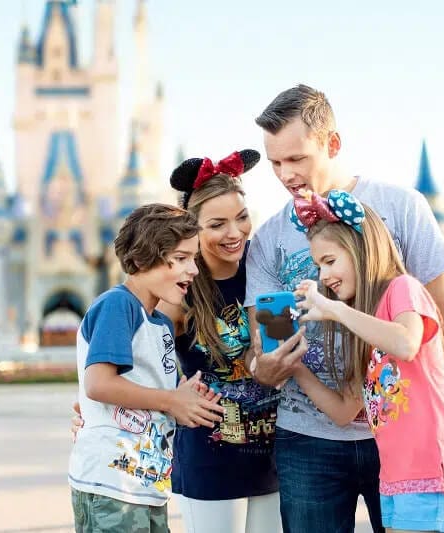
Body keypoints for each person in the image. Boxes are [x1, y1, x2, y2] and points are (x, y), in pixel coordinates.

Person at [245, 84, 444, 532]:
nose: (286, 174)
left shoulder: (402, 208)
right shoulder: (267, 240)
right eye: (275, 163)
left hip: (401, 435)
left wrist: (433, 422)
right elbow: (263, 348)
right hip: (308, 442)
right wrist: (264, 366)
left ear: (332, 143)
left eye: (297, 158)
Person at [290, 189, 444, 533]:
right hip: (395, 475)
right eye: (318, 266)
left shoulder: (402, 288)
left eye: (329, 261)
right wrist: (296, 367)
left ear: (361, 248)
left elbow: (406, 343)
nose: (323, 276)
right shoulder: (367, 322)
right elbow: (345, 411)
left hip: (428, 468)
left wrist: (335, 310)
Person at [68, 203, 226, 533]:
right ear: (141, 259)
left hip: (148, 486)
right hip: (112, 487)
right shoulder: (118, 305)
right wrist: (171, 400)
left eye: (194, 259)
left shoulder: (160, 324)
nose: (193, 270)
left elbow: (155, 395)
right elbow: (99, 384)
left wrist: (187, 399)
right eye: (181, 258)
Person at [164, 150, 288, 533]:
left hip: (272, 454)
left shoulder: (265, 268)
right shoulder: (179, 287)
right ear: (192, 229)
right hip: (209, 458)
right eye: (217, 224)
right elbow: (140, 358)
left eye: (241, 217)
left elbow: (280, 350)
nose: (234, 233)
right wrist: (166, 398)